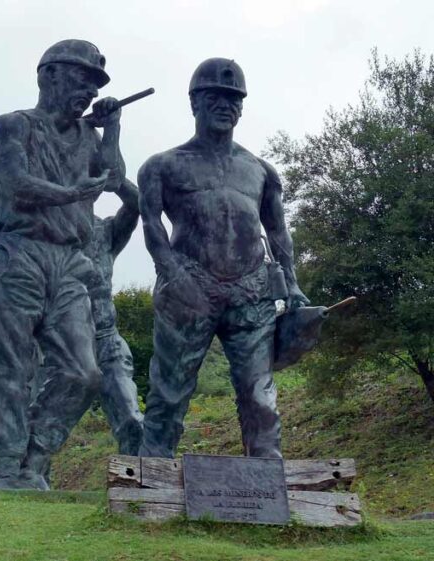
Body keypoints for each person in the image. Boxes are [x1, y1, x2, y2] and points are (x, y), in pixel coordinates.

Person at [137, 58, 309, 459]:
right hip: (189, 288)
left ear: (242, 108)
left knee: (259, 395)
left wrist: (293, 283)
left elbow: (278, 231)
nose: (225, 106)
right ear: (194, 102)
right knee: (170, 390)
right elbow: (151, 224)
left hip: (251, 292)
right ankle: (148, 480)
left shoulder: (261, 171)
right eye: (214, 97)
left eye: (233, 100)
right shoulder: (163, 166)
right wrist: (172, 273)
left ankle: (267, 479)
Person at [0, 39, 127, 489]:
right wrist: (73, 194)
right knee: (10, 368)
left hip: (67, 261)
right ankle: (4, 469)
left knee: (85, 372)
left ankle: (33, 458)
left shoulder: (89, 136)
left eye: (95, 84)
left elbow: (113, 179)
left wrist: (113, 130)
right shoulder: (12, 126)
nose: (89, 91)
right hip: (13, 253)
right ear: (48, 76)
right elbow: (18, 185)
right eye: (81, 79)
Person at [83, 179, 144, 455]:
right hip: (55, 343)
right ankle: (27, 488)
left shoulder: (105, 232)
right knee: (36, 425)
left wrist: (116, 179)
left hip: (105, 338)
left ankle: (140, 488)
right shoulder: (47, 232)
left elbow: (138, 203)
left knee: (132, 421)